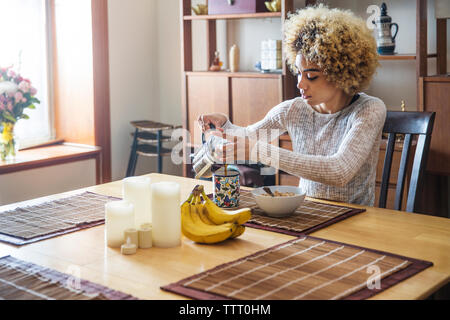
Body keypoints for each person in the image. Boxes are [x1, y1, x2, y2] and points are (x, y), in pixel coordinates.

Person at [197, 5, 386, 206]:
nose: (300, 84)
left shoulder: (369, 109)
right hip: (307, 212)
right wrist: (224, 125)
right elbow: (249, 137)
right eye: (298, 72)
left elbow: (339, 171)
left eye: (311, 76)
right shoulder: (293, 110)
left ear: (340, 74)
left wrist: (261, 152)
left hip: (356, 220)